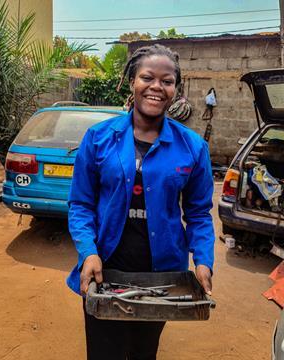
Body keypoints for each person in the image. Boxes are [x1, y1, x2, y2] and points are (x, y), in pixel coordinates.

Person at [67, 44, 215, 360]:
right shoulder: (98, 137)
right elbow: (81, 204)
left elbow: (199, 213)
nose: (156, 87)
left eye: (167, 80)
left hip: (161, 276)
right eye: (147, 77)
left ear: (177, 88)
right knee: (104, 351)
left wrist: (203, 260)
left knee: (144, 351)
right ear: (133, 81)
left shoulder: (192, 147)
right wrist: (88, 252)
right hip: (105, 270)